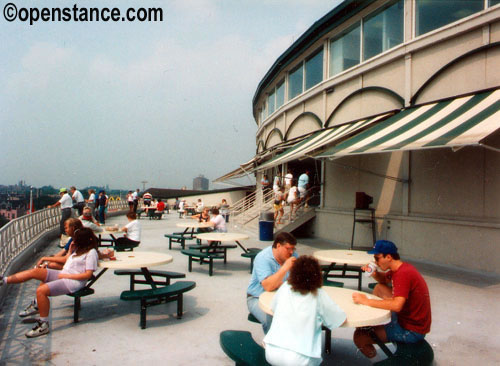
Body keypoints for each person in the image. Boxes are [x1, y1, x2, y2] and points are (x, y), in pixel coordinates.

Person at [0, 227, 99, 338]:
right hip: (64, 274)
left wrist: (66, 275)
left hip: (73, 281)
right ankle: (3, 280)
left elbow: (88, 275)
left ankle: (43, 325)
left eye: (77, 239)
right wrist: (70, 251)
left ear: (85, 240)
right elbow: (67, 261)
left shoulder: (91, 253)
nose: (74, 241)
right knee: (36, 272)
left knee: (41, 291)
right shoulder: (78, 249)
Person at [352, 240, 432, 358]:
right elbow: (384, 280)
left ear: (388, 257)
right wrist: (374, 273)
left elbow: (397, 306)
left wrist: (366, 301)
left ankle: (377, 360)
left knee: (359, 336)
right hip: (409, 319)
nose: (375, 261)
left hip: (411, 330)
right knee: (379, 288)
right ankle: (374, 323)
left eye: (377, 258)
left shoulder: (402, 274)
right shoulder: (401, 268)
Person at [263, 256, 346, 366]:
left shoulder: (285, 287)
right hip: (300, 359)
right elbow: (339, 319)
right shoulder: (319, 295)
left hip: (272, 353)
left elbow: (273, 308)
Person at [247, 232, 298, 333]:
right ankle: (271, 347)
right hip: (257, 298)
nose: (292, 252)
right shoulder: (263, 258)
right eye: (288, 248)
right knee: (273, 318)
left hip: (283, 296)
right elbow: (268, 286)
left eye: (293, 249)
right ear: (278, 246)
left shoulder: (293, 255)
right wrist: (285, 267)